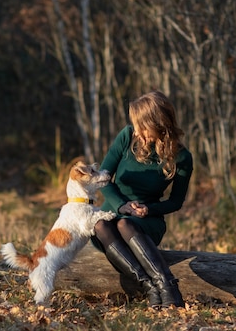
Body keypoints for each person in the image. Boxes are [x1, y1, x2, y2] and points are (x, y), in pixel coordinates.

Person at [92, 90, 193, 309]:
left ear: (158, 123)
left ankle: (168, 287)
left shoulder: (182, 158)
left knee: (125, 224)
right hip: (112, 213)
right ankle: (150, 286)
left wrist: (148, 209)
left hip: (145, 222)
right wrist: (122, 205)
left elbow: (175, 202)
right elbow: (102, 179)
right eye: (135, 126)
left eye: (142, 126)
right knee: (100, 224)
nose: (137, 131)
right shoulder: (127, 136)